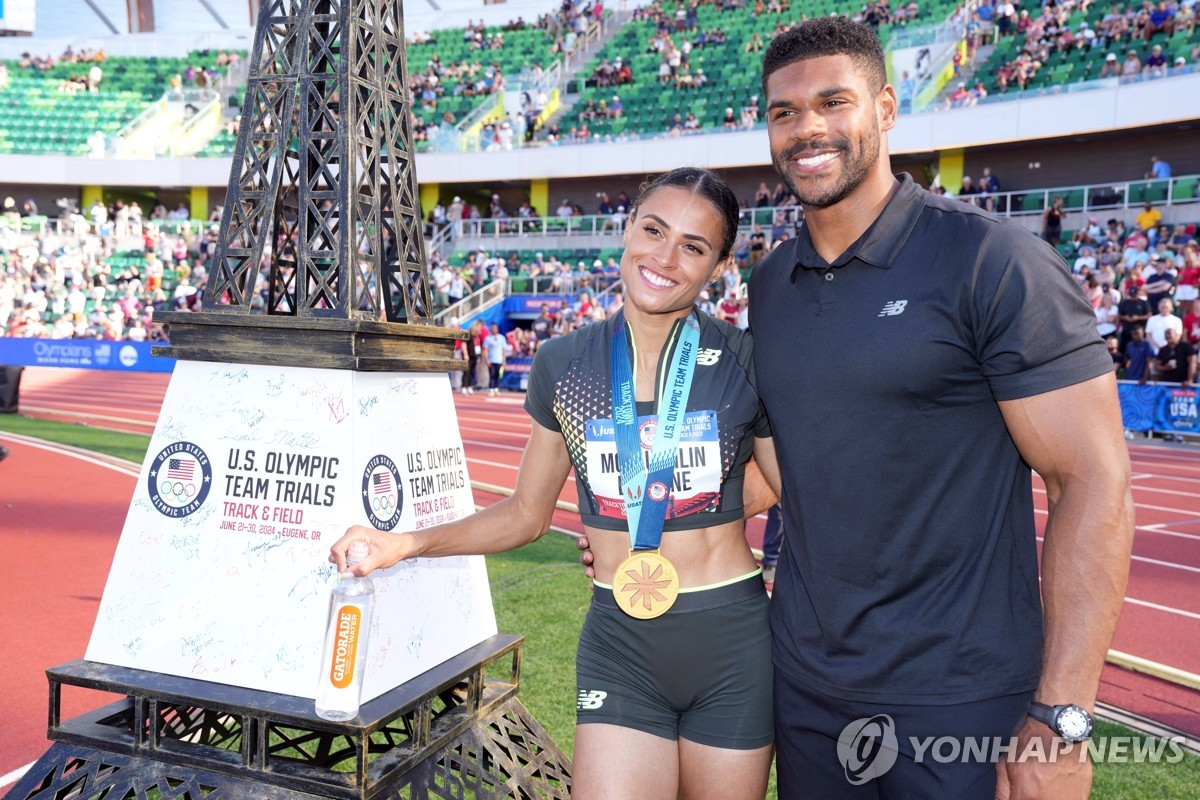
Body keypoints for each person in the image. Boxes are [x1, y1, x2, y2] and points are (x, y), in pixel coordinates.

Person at [748, 18, 1131, 798]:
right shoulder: (768, 287)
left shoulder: (992, 260)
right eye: (784, 112)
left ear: (886, 109)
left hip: (961, 698)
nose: (807, 129)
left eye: (832, 102)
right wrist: (641, 537)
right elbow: (794, 469)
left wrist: (1062, 715)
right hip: (808, 689)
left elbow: (1092, 480)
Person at [331, 168, 780, 800]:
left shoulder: (746, 359)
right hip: (621, 646)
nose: (665, 256)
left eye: (693, 246)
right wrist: (404, 543)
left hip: (730, 642)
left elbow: (793, 483)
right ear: (627, 229)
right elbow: (525, 514)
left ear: (718, 265)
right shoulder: (563, 364)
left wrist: (712, 512)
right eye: (653, 230)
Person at [483, 323, 507, 395]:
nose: (493, 329)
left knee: (498, 375)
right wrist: (486, 359)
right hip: (491, 360)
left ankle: (496, 388)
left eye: (495, 328)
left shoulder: (502, 338)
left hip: (499, 360)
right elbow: (486, 350)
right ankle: (491, 389)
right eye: (492, 328)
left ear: (497, 329)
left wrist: (504, 359)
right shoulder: (488, 338)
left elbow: (504, 350)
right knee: (492, 374)